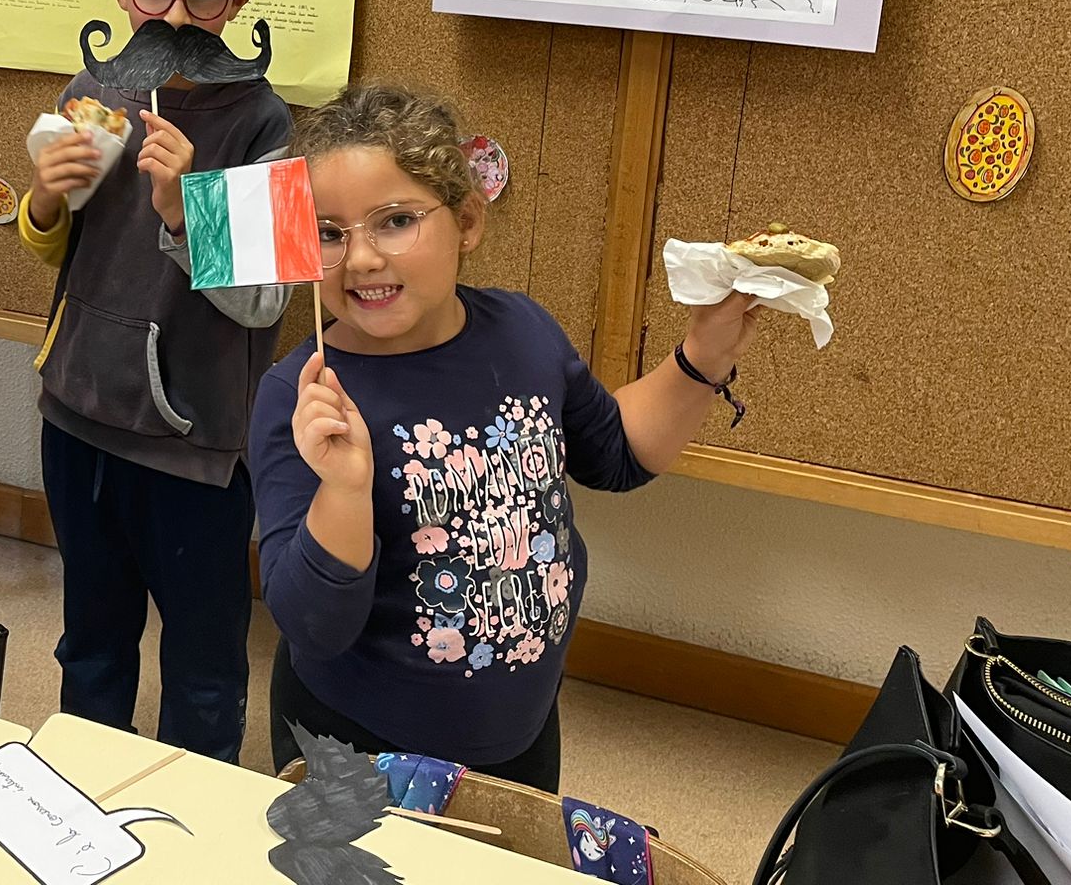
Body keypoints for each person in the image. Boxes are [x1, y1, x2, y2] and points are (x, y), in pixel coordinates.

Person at [250, 84, 770, 787]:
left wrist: (703, 355)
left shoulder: (522, 330)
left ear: (467, 220)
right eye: (330, 233)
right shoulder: (305, 397)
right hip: (358, 737)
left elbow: (615, 454)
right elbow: (314, 627)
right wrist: (343, 490)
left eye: (396, 221)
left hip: (519, 729)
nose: (362, 258)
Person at [20, 0, 292, 762]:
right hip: (78, 416)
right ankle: (83, 782)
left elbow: (266, 301)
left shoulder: (268, 126)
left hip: (195, 447)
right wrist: (46, 200)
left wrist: (186, 211)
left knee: (205, 664)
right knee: (91, 638)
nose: (175, 16)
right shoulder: (91, 91)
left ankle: (196, 808)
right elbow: (62, 249)